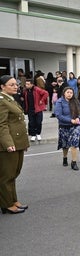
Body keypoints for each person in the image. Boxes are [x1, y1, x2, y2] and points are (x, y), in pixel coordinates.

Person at [0, 75, 30, 214]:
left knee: (14, 173)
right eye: (11, 84)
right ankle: (6, 204)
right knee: (7, 176)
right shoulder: (1, 101)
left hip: (18, 142)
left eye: (16, 84)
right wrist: (8, 143)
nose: (15, 86)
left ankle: (13, 200)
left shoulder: (10, 99)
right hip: (9, 144)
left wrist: (24, 143)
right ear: (2, 86)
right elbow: (2, 124)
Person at [54, 87, 80, 171]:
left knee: (74, 144)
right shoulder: (60, 102)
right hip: (64, 126)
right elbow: (58, 115)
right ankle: (65, 157)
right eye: (68, 92)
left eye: (71, 93)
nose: (69, 94)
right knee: (65, 145)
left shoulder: (76, 101)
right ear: (64, 93)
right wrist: (70, 120)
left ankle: (74, 162)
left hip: (75, 126)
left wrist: (78, 118)